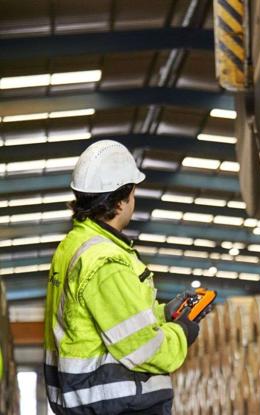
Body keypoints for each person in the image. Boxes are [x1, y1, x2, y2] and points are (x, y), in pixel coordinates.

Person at [44, 140, 207, 414]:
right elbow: (146, 350)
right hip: (117, 405)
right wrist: (182, 332)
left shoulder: (73, 247)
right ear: (120, 201)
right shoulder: (106, 262)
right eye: (133, 193)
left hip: (89, 402)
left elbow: (112, 320)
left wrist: (162, 314)